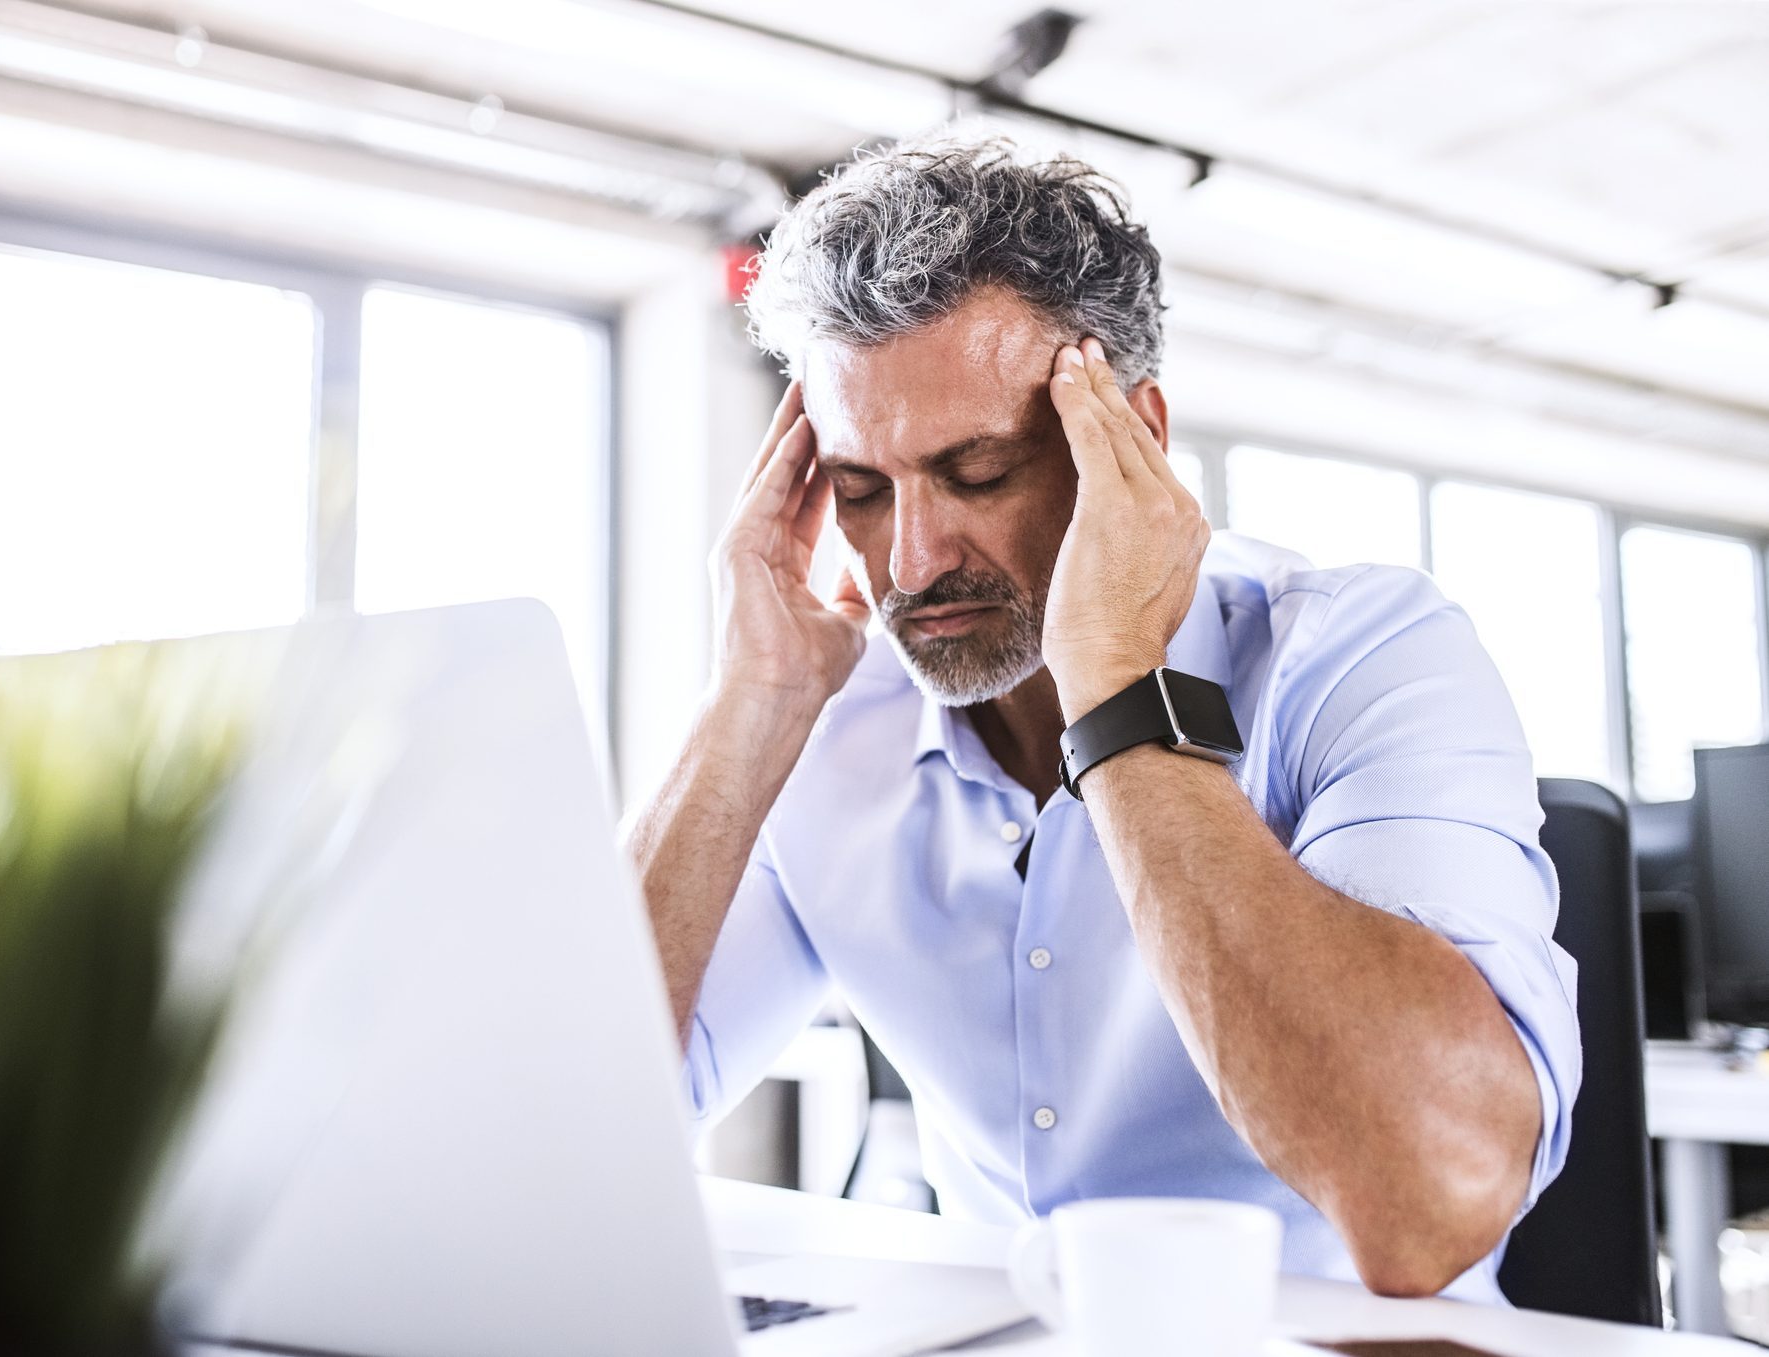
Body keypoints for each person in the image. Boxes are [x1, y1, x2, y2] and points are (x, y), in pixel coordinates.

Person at [620, 132, 1578, 1301]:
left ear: (1136, 443)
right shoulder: (825, 721)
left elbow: (1427, 1203)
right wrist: (748, 707)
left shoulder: (1363, 656)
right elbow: (564, 1125)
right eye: (862, 491)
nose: (909, 562)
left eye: (978, 472)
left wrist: (1118, 690)